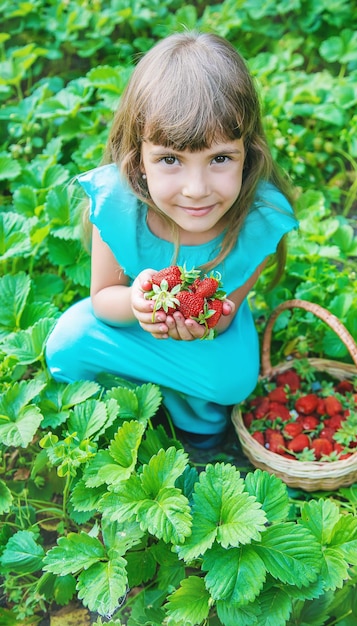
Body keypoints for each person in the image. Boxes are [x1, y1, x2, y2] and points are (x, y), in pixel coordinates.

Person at [45, 31, 298, 449]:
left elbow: (224, 317)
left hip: (204, 339)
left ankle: (192, 421)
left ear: (247, 155)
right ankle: (125, 402)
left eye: (220, 159)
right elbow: (104, 300)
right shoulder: (118, 205)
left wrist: (202, 323)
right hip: (133, 323)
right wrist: (136, 303)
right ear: (138, 160)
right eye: (170, 160)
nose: (196, 189)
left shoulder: (259, 220)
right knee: (67, 341)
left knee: (232, 378)